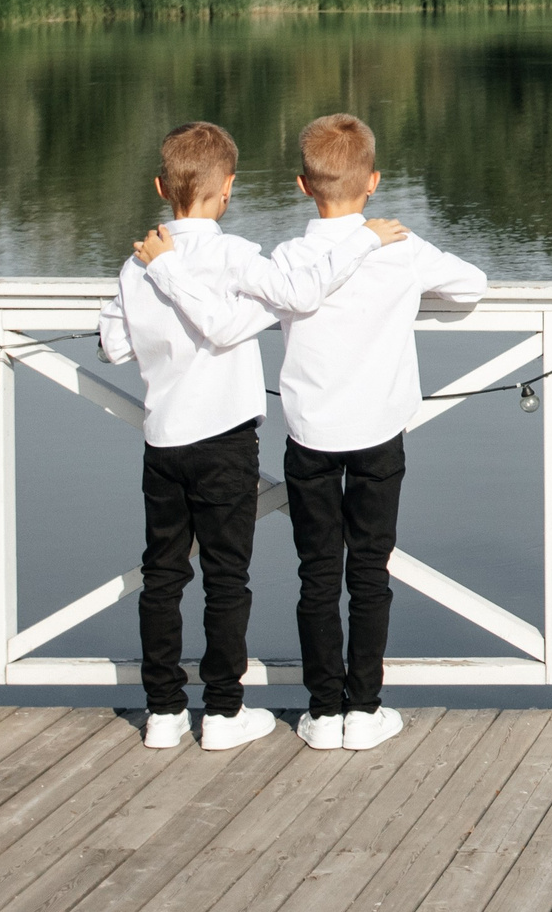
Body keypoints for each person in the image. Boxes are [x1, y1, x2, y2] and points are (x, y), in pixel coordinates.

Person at [152, 112, 484, 752]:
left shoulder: (285, 258)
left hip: (308, 438)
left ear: (303, 186)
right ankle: (364, 710)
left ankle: (323, 711)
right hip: (379, 434)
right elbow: (472, 287)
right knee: (370, 573)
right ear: (374, 181)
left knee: (317, 575)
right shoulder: (401, 249)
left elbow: (234, 313)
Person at [99, 120, 406, 752]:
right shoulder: (238, 256)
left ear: (160, 187)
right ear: (230, 188)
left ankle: (163, 713)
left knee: (163, 575)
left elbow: (113, 346)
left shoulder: (140, 261)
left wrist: (137, 282)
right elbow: (282, 301)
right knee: (225, 577)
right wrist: (363, 241)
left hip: (162, 441)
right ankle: (222, 711)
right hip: (224, 440)